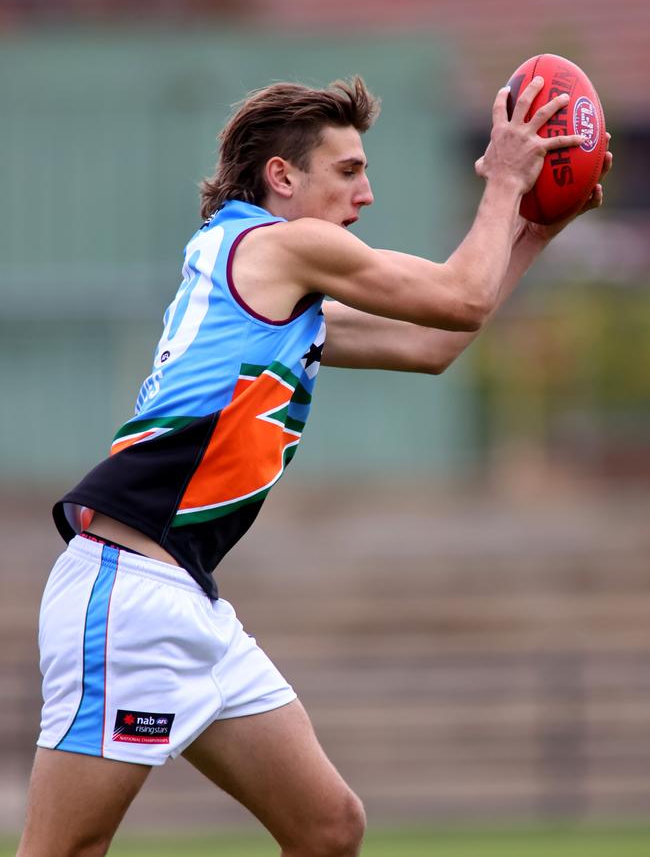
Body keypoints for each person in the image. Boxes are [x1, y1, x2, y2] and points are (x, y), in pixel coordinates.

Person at [18, 74, 611, 857]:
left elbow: (437, 344)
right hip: (128, 595)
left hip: (182, 597)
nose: (365, 193)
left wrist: (537, 227)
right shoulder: (278, 245)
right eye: (348, 170)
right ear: (282, 177)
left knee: (329, 827)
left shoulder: (271, 281)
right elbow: (460, 298)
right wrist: (507, 179)